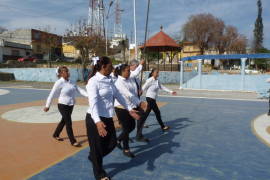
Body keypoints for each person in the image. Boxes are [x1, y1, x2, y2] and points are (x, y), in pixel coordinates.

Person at [85, 56, 140, 180]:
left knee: (112, 143)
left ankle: (94, 157)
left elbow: (119, 96)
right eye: (110, 65)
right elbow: (92, 104)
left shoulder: (109, 80)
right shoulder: (93, 81)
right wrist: (98, 122)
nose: (113, 67)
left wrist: (130, 109)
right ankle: (99, 174)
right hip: (95, 119)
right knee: (97, 147)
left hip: (108, 117)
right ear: (103, 66)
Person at [44, 66, 88, 147]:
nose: (68, 72)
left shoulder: (72, 81)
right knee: (68, 122)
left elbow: (80, 90)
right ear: (60, 74)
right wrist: (47, 105)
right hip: (62, 105)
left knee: (63, 121)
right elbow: (51, 94)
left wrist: (89, 95)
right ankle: (73, 141)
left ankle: (56, 134)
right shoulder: (59, 82)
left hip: (71, 105)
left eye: (68, 71)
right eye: (65, 71)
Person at [114, 64, 147, 158]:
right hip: (121, 107)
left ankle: (117, 140)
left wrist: (138, 96)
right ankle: (126, 149)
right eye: (128, 70)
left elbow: (133, 93)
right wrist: (139, 102)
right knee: (126, 128)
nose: (129, 72)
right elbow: (128, 94)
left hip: (130, 106)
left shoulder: (129, 79)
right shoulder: (119, 82)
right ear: (122, 71)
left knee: (131, 126)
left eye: (129, 70)